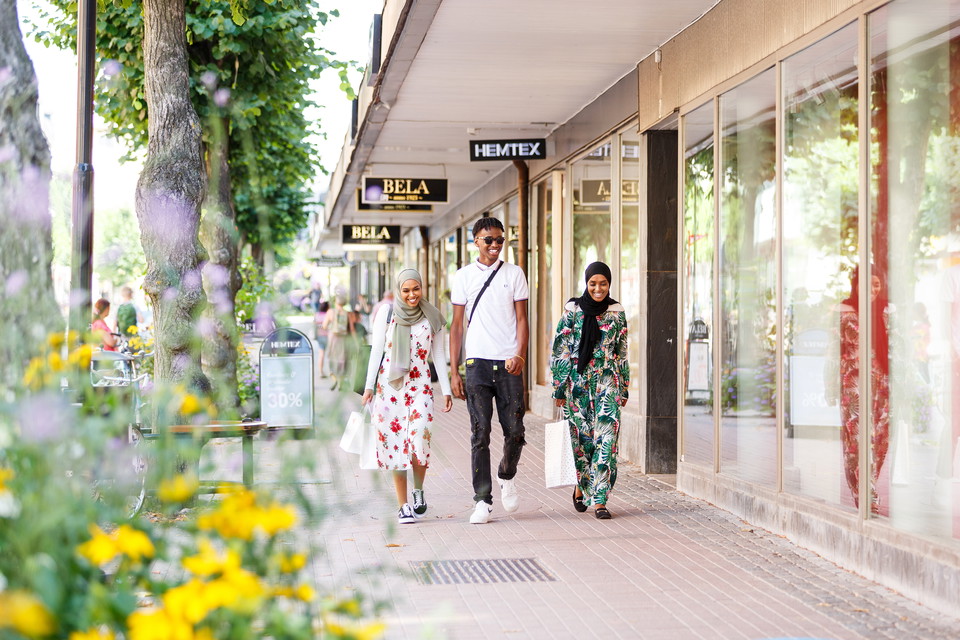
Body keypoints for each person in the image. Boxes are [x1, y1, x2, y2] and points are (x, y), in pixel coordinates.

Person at [449, 217, 529, 524]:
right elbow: (457, 325)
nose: (495, 245)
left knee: (516, 432)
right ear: (476, 242)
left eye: (499, 240)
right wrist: (455, 370)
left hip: (508, 363)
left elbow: (522, 319)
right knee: (480, 433)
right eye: (488, 240)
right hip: (477, 363)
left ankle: (506, 475)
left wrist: (519, 355)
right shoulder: (464, 276)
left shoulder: (514, 274)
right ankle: (482, 499)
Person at [361, 269, 452, 524]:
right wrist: (369, 388)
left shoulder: (432, 316)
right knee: (394, 445)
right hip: (389, 389)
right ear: (398, 290)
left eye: (416, 289)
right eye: (406, 290)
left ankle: (419, 490)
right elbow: (376, 351)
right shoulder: (386, 314)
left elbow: (439, 355)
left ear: (422, 288)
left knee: (419, 438)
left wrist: (446, 389)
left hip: (420, 386)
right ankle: (403, 506)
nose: (412, 295)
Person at [550, 262, 629, 519]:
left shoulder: (617, 312)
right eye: (593, 283)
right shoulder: (572, 310)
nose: (598, 288)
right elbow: (561, 349)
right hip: (577, 383)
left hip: (608, 382)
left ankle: (600, 500)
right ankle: (580, 486)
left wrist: (624, 387)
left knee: (606, 442)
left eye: (603, 283)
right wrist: (559, 387)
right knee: (582, 442)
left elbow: (622, 352)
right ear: (586, 283)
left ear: (609, 284)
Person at [836, 265, 890, 514]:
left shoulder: (886, 312)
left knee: (879, 441)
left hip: (882, 384)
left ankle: (865, 487)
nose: (872, 289)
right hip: (854, 385)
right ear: (856, 285)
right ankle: (867, 494)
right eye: (866, 283)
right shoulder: (844, 310)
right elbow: (833, 350)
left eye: (877, 284)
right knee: (858, 439)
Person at [323, 296, 351, 389]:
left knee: (332, 358)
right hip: (343, 338)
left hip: (333, 338)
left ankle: (335, 379)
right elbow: (351, 329)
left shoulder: (331, 312)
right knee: (342, 359)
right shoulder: (347, 313)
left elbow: (324, 325)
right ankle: (341, 381)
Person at [314, 301, 330, 377]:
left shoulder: (317, 315)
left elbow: (314, 326)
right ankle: (332, 372)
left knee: (321, 355)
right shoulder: (328, 315)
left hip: (320, 336)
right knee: (330, 355)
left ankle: (321, 372)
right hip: (328, 336)